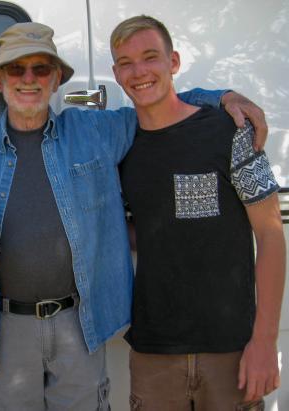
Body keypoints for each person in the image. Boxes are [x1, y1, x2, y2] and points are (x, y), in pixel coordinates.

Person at [0, 21, 269, 410]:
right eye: (16, 69)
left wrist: (220, 95)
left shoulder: (97, 130)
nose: (29, 79)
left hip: (79, 322)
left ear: (57, 77)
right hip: (5, 324)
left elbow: (158, 100)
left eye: (41, 68)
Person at [112, 15, 286, 410]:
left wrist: (264, 341)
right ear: (116, 73)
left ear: (173, 62)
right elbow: (146, 228)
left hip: (232, 350)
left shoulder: (231, 130)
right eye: (126, 62)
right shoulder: (120, 147)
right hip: (154, 353)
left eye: (150, 57)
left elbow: (271, 233)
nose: (139, 71)